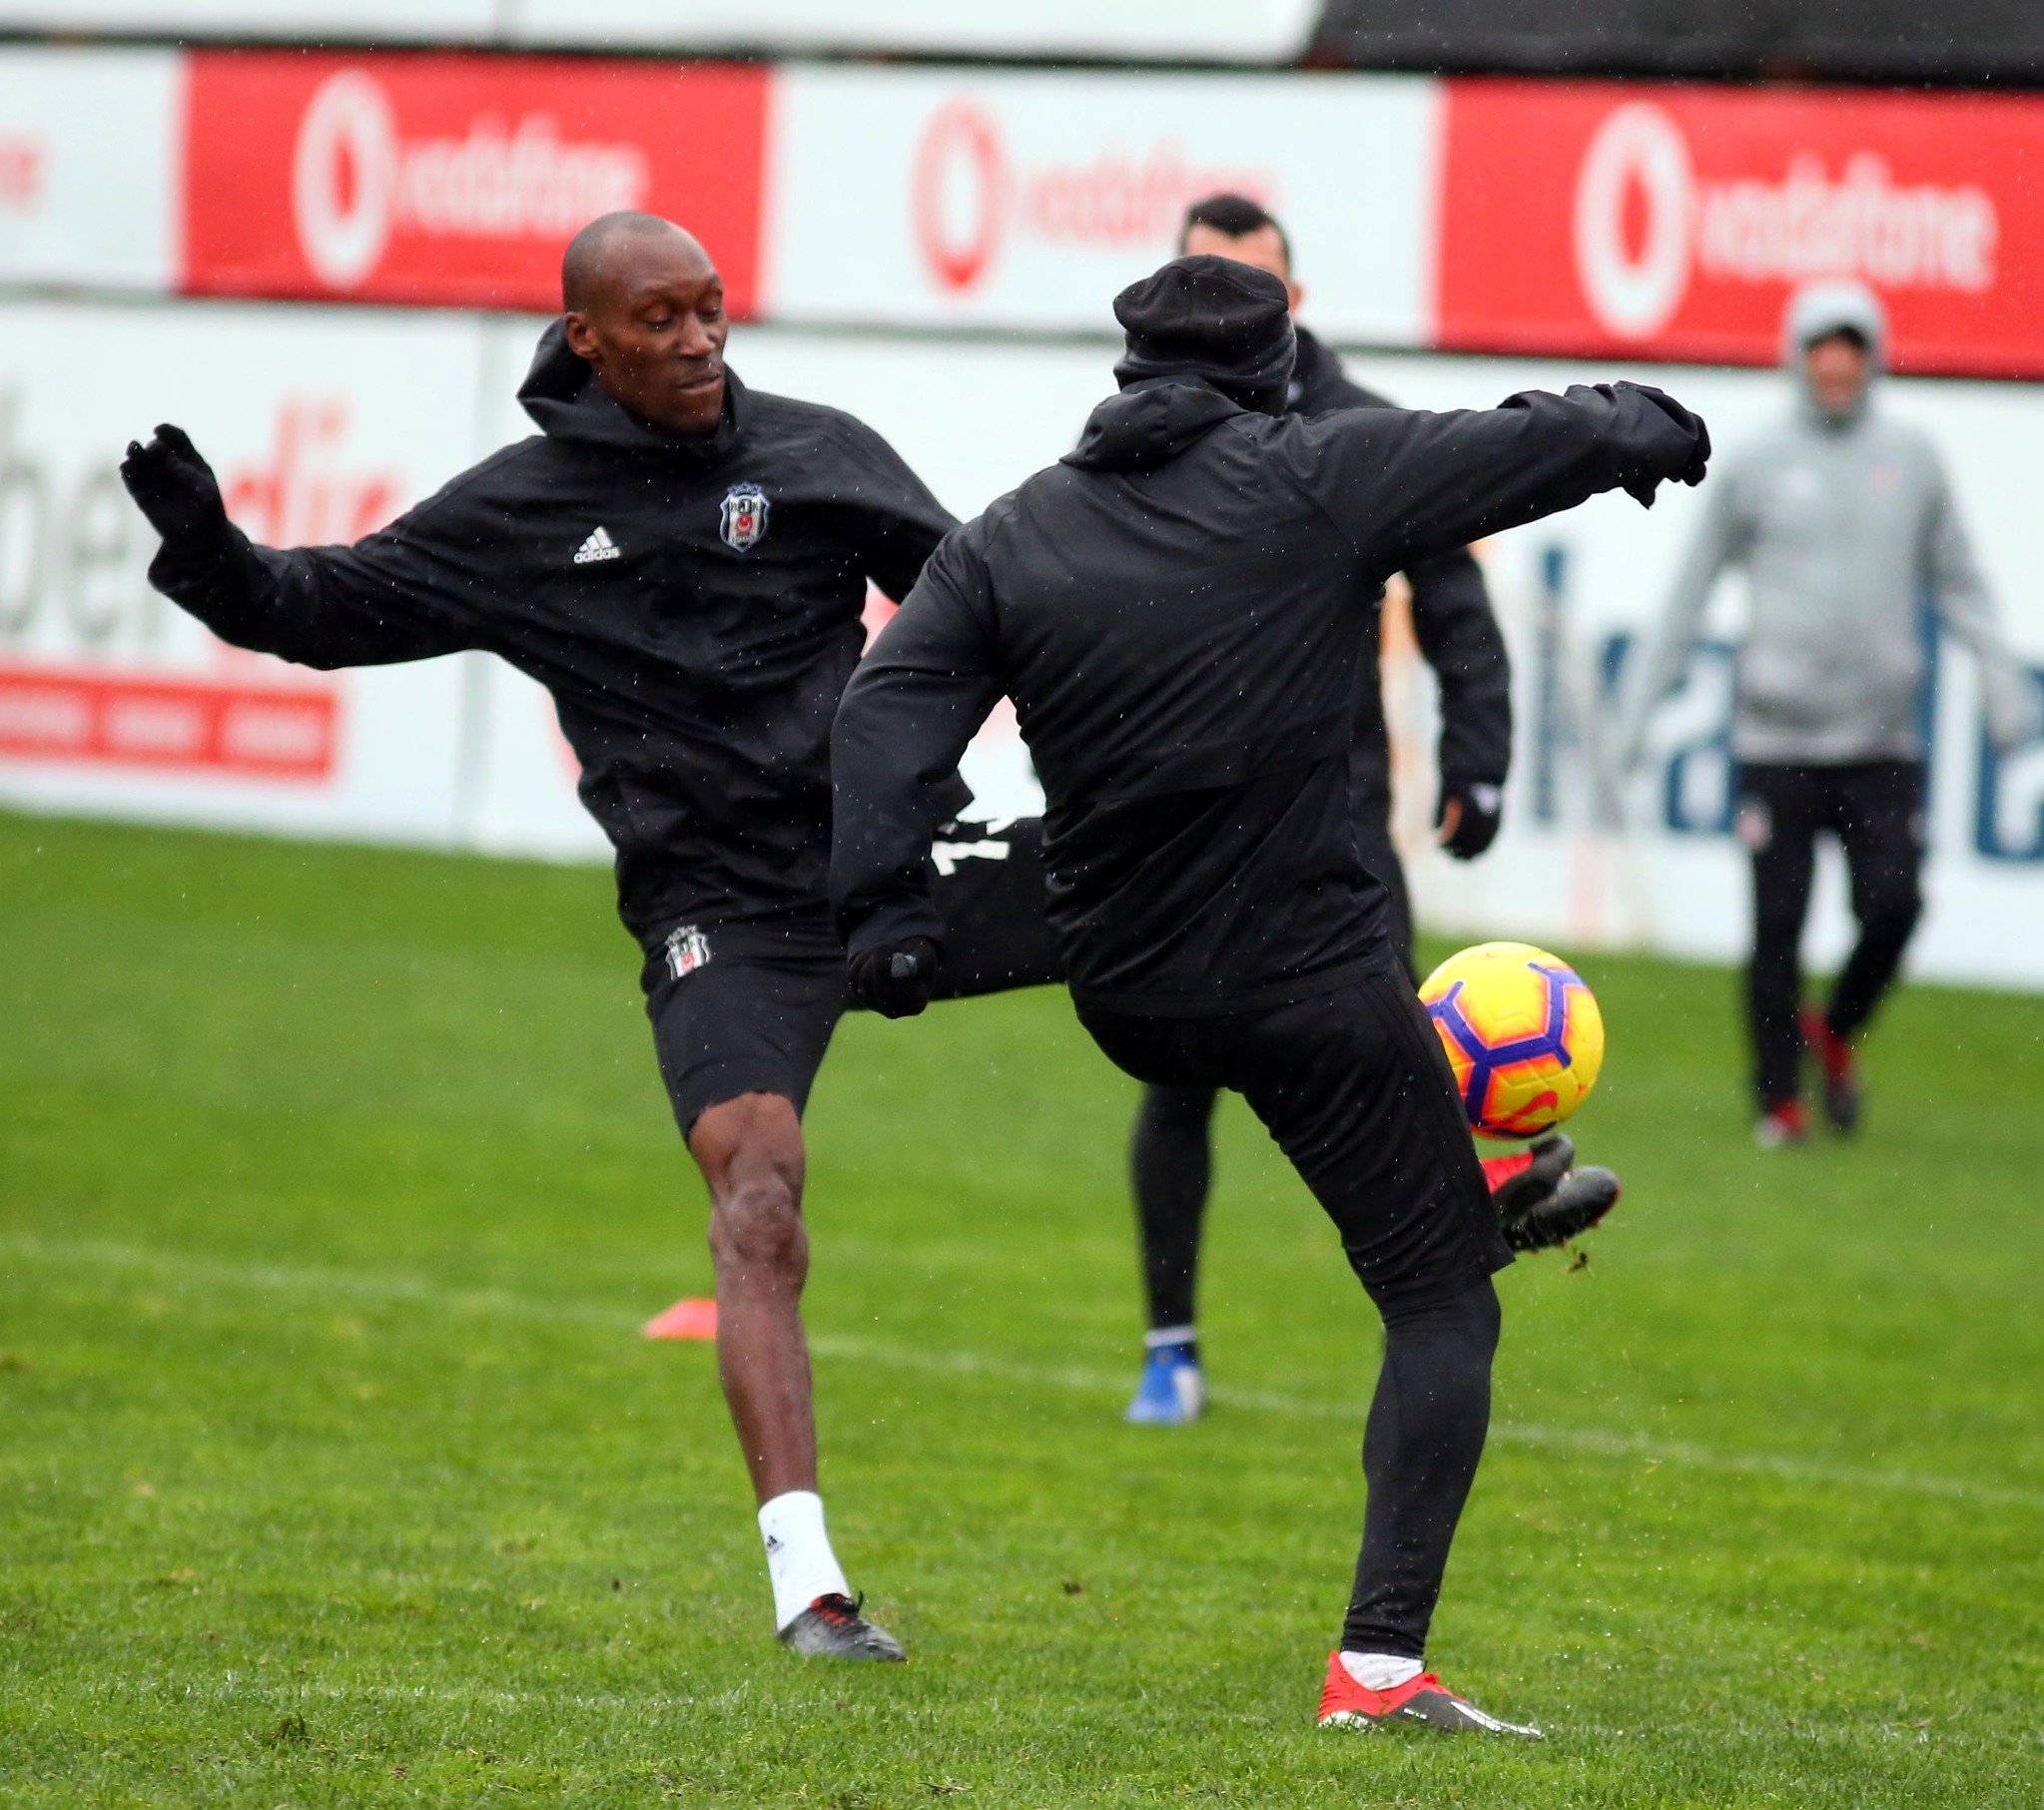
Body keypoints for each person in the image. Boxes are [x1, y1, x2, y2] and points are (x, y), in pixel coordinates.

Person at [117, 212, 1058, 1662]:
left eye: (710, 309)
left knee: (1202, 907)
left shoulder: (817, 454)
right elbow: (322, 609)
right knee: (758, 1191)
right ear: (585, 340)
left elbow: (993, 600)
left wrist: (936, 760)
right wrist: (213, 551)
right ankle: (808, 1589)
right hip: (722, 913)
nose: (695, 340)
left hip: (885, 862)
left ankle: (1463, 1167)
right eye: (659, 319)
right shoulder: (519, 512)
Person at [831, 255, 1708, 1731]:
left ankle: (1463, 1192)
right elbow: (1512, 442)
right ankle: (1375, 1671)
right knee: (1437, 1308)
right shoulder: (1319, 474)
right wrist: (1635, 424)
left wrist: (887, 913)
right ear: (1272, 367)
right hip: (1302, 979)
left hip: (1124, 991)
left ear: (1125, 374)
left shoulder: (1010, 535)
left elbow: (884, 715)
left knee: (1356, 1155)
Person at [1122, 193, 1611, 1425]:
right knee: (1180, 1084)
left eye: (1250, 282)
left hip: (1336, 822)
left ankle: (1456, 1261)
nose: (1227, 303)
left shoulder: (1365, 435)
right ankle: (1168, 1348)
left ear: (1295, 302)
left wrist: (1480, 757)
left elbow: (1454, 606)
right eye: (1204, 280)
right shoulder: (1140, 439)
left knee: (1403, 1056)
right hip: (1186, 827)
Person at [1621, 281, 2036, 1148]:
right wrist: (1636, 715)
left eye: (1850, 348)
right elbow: (1690, 592)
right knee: (1775, 926)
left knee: (1895, 906)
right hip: (1775, 738)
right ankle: (1778, 1102)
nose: (1836, 364)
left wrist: (2002, 686)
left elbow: (1961, 582)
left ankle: (1836, 1028)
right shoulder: (1756, 461)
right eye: (1822, 347)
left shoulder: (1912, 457)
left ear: (1871, 357)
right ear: (1799, 355)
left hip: (1882, 738)